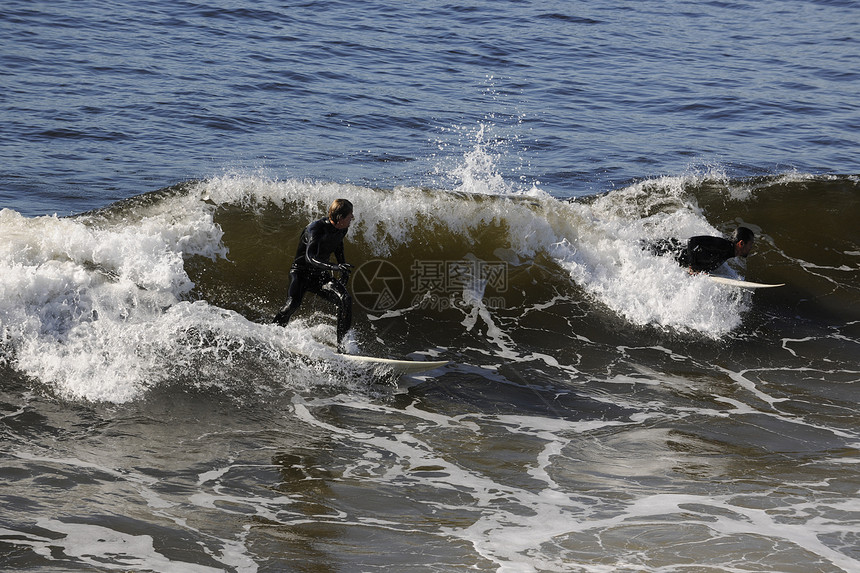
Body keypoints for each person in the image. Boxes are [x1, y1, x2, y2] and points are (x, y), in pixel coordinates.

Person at [274, 198, 355, 351]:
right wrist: (335, 267)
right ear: (340, 218)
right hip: (301, 273)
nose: (352, 218)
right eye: (350, 215)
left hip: (320, 276)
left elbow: (338, 245)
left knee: (345, 299)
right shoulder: (315, 229)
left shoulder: (342, 228)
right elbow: (310, 258)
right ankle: (273, 333)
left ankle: (342, 347)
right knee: (292, 305)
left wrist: (343, 267)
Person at [647, 226, 755, 273]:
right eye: (750, 244)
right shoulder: (724, 246)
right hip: (666, 248)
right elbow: (692, 241)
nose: (751, 248)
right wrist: (692, 266)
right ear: (741, 243)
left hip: (669, 253)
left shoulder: (727, 252)